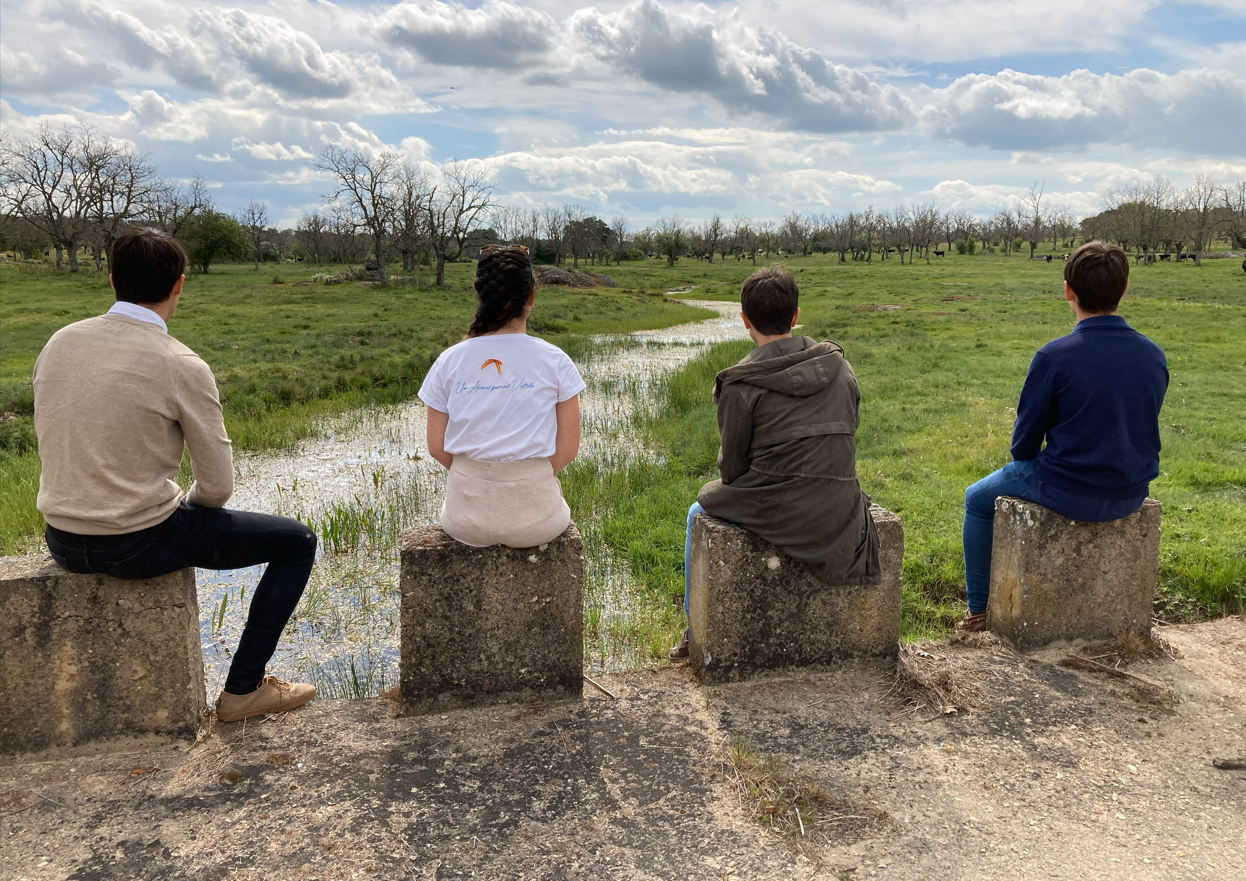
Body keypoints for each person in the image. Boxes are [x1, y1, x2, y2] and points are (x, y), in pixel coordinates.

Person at [34, 228, 318, 722]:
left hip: (60, 536)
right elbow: (217, 486)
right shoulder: (180, 363)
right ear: (179, 285)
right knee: (298, 542)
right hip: (134, 541)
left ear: (111, 281)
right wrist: (185, 503)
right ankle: (243, 691)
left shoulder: (60, 342)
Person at [669, 266, 880, 660]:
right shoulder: (841, 367)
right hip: (839, 503)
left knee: (698, 509)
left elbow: (731, 471)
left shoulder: (741, 383)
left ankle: (691, 628)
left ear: (744, 319)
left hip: (778, 504)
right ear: (796, 315)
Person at [958, 241, 1168, 631]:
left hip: (1067, 488)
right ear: (1124, 290)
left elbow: (1023, 446)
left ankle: (977, 612)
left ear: (1068, 290)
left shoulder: (1054, 356)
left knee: (975, 499)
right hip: (1130, 490)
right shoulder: (1153, 353)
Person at [419, 244, 584, 548]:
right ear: (531, 296)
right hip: (538, 520)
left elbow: (436, 447)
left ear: (479, 294)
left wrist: (479, 477)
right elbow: (567, 449)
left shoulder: (448, 360)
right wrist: (524, 478)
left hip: (463, 521)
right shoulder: (556, 360)